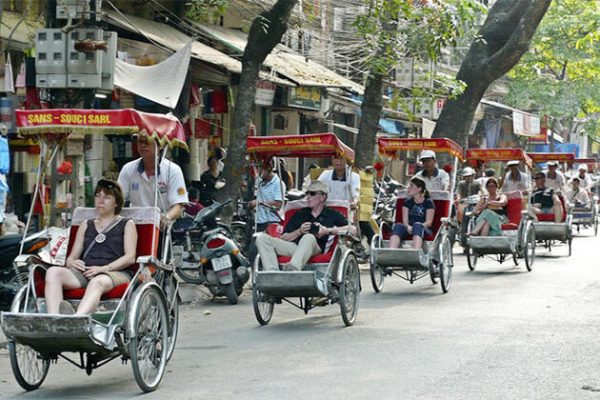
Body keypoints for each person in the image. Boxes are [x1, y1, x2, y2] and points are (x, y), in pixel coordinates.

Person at [44, 179, 138, 315]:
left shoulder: (127, 224)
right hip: (86, 272)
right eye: (98, 196)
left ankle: (76, 319)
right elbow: (71, 258)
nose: (101, 200)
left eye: (107, 197)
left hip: (114, 273)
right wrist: (73, 263)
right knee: (53, 272)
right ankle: (55, 318)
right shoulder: (85, 224)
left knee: (96, 282)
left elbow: (130, 257)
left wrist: (103, 269)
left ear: (116, 202)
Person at [255, 181, 356, 271]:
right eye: (307, 193)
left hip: (316, 249)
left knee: (309, 237)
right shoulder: (300, 214)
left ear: (323, 197)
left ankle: (292, 269)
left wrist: (327, 231)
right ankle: (272, 274)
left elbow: (353, 230)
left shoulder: (332, 214)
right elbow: (283, 238)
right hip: (295, 248)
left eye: (312, 194)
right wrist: (299, 231)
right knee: (262, 239)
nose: (308, 197)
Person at [118, 135, 188, 223]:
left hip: (162, 226)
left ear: (160, 145)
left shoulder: (173, 170)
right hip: (135, 225)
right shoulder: (128, 169)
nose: (142, 146)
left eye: (147, 142)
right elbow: (118, 199)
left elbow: (178, 206)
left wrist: (166, 218)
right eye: (140, 142)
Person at [388, 177, 435, 250]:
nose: (408, 188)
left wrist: (417, 226)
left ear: (419, 188)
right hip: (409, 227)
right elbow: (405, 220)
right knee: (398, 226)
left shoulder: (428, 202)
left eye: (411, 186)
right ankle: (391, 251)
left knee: (417, 225)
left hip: (423, 228)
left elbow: (429, 222)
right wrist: (408, 227)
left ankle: (415, 251)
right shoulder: (407, 202)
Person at [250, 162, 284, 232]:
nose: (259, 173)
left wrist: (259, 202)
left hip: (270, 222)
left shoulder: (278, 183)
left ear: (268, 169)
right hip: (258, 221)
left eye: (261, 170)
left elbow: (278, 203)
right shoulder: (261, 182)